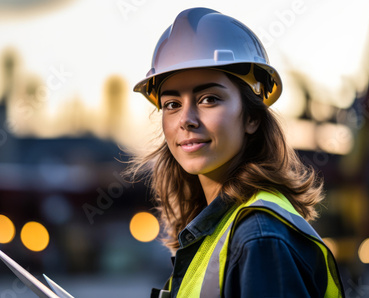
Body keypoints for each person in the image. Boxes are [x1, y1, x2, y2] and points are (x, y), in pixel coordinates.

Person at [126, 7, 344, 298]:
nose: (186, 119)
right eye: (172, 104)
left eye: (209, 99)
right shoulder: (219, 230)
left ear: (252, 118)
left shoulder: (260, 238)